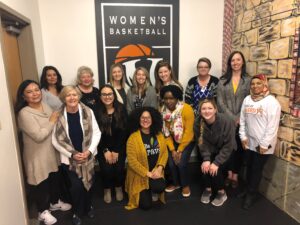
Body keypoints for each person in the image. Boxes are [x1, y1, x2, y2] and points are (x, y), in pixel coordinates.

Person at [16, 80, 71, 225]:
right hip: (37, 155)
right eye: (30, 91)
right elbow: (39, 135)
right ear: (23, 96)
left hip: (51, 152)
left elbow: (55, 123)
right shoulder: (24, 113)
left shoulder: (44, 105)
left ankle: (54, 203)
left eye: (36, 90)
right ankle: (42, 212)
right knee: (41, 183)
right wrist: (52, 121)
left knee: (53, 178)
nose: (35, 93)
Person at [52, 86, 101, 225]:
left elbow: (97, 133)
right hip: (70, 159)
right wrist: (71, 154)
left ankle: (89, 206)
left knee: (89, 183)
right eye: (68, 95)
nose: (72, 98)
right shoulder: (59, 115)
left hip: (88, 156)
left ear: (79, 96)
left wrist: (89, 151)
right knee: (76, 187)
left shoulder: (88, 111)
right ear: (63, 98)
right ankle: (77, 211)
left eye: (74, 94)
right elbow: (55, 140)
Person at [239, 74, 281, 210]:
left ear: (265, 85)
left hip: (263, 145)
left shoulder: (272, 102)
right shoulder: (247, 100)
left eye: (258, 83)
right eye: (253, 84)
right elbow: (243, 120)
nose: (255, 86)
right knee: (249, 166)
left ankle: (251, 194)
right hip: (249, 142)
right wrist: (243, 137)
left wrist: (264, 144)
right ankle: (247, 189)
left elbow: (272, 126)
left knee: (256, 169)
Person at [217, 51, 251, 188]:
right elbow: (219, 102)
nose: (235, 62)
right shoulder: (222, 80)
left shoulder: (249, 80)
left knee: (240, 149)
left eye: (238, 60)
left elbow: (250, 99)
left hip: (243, 121)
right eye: (233, 60)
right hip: (226, 121)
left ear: (242, 62)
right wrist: (232, 118)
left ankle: (235, 175)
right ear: (229, 63)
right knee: (228, 148)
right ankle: (229, 174)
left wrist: (240, 118)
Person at [194, 99, 236, 207]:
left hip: (226, 150)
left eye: (210, 108)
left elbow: (229, 145)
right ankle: (208, 189)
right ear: (200, 111)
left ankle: (221, 193)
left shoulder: (226, 121)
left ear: (215, 110)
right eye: (204, 108)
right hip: (209, 150)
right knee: (205, 167)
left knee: (215, 170)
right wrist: (207, 159)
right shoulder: (198, 122)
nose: (207, 111)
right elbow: (201, 143)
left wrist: (216, 162)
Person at [125, 107, 168, 210]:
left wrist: (160, 168)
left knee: (160, 187)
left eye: (148, 118)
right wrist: (147, 174)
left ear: (153, 119)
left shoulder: (159, 135)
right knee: (145, 205)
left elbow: (165, 153)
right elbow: (132, 162)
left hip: (155, 171)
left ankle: (152, 189)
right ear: (138, 120)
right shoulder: (133, 138)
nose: (145, 120)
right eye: (142, 118)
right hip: (140, 175)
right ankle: (146, 190)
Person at [160, 85, 195, 197]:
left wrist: (179, 151)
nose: (169, 101)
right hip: (172, 140)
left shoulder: (186, 109)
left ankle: (185, 185)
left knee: (181, 163)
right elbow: (166, 134)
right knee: (171, 163)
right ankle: (176, 184)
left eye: (172, 98)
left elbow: (188, 132)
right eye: (166, 98)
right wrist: (173, 150)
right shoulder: (162, 111)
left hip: (187, 140)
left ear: (177, 98)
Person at [97, 84, 128, 203]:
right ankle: (107, 189)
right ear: (100, 97)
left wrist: (116, 150)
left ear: (114, 95)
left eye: (110, 94)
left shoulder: (121, 108)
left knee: (119, 169)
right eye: (104, 94)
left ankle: (118, 187)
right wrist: (105, 150)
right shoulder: (96, 111)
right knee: (106, 170)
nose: (107, 96)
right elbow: (96, 134)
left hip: (119, 146)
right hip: (102, 147)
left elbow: (124, 131)